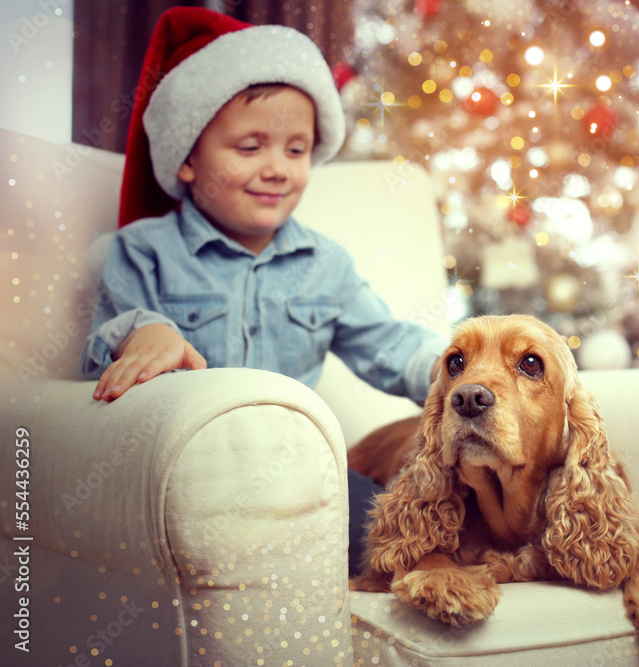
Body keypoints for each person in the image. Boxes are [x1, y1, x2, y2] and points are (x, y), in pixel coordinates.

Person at [80, 6, 447, 575]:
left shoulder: (324, 265)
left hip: (301, 476)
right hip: (187, 479)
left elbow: (392, 346)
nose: (278, 168)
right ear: (187, 159)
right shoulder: (143, 249)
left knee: (398, 530)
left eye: (295, 150)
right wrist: (145, 331)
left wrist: (459, 369)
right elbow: (111, 343)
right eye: (250, 147)